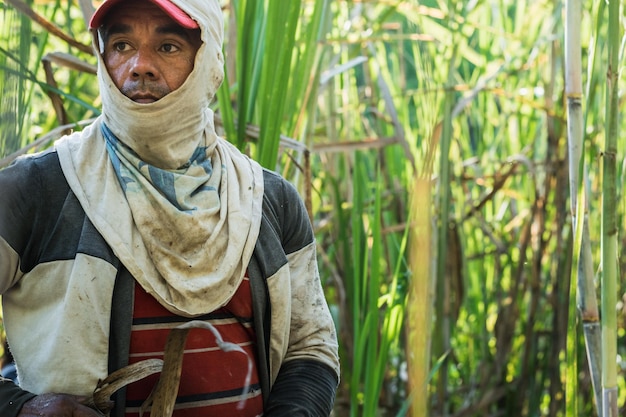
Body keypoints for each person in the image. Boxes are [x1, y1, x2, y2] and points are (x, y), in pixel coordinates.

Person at [0, 0, 340, 416]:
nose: (140, 65)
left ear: (209, 60)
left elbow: (311, 347)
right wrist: (23, 409)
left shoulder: (267, 200)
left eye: (168, 47)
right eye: (122, 44)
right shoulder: (35, 192)